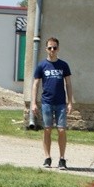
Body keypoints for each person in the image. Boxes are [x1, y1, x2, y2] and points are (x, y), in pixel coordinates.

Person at [31, 37, 74, 170]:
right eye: (50, 47)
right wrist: (33, 102)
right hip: (47, 103)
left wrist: (70, 102)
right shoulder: (42, 66)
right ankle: (47, 158)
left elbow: (68, 84)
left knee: (61, 130)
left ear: (58, 49)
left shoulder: (63, 65)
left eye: (54, 47)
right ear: (46, 49)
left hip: (61, 103)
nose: (52, 50)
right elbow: (35, 85)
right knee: (47, 129)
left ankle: (62, 159)